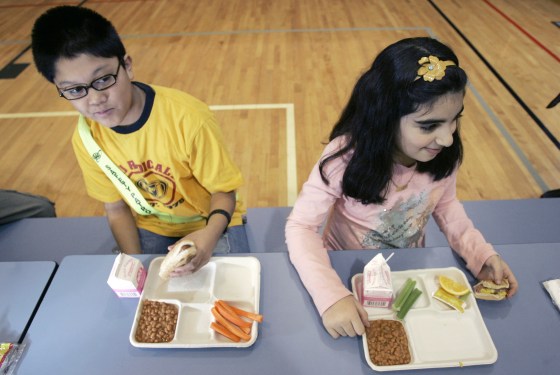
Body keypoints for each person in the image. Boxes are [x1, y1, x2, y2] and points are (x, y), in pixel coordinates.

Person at [285, 37, 519, 339]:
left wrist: (480, 255)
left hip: (408, 271)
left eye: (454, 120)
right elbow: (301, 227)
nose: (447, 138)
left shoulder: (441, 153)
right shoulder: (343, 158)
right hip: (345, 271)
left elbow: (446, 206)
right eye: (428, 125)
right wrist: (331, 295)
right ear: (385, 116)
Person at [30, 6, 248, 274]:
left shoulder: (188, 118)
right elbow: (116, 209)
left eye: (103, 79)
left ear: (128, 66)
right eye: (75, 90)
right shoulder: (87, 139)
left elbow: (224, 192)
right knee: (141, 295)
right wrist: (134, 265)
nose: (95, 99)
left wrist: (208, 236)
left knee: (229, 288)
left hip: (211, 220)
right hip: (153, 225)